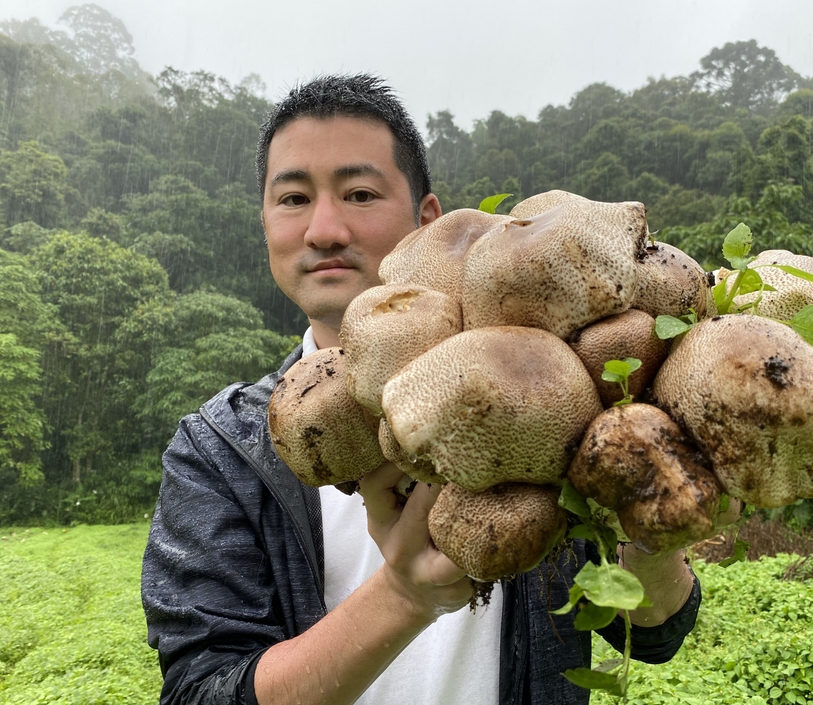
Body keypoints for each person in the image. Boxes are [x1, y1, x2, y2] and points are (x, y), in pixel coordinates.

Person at [141, 73, 707, 705]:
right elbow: (200, 691)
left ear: (429, 221)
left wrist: (658, 528)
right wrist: (404, 596)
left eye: (359, 193)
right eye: (294, 199)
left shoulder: (556, 393)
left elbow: (655, 633)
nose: (324, 229)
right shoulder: (222, 449)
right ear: (265, 223)